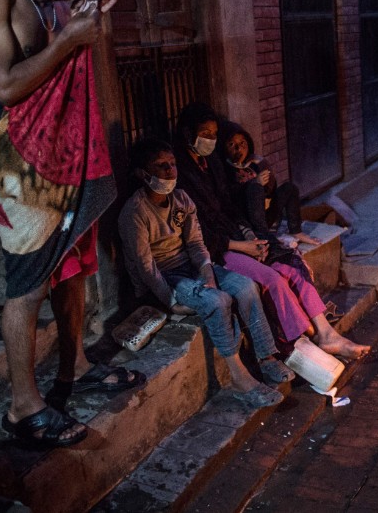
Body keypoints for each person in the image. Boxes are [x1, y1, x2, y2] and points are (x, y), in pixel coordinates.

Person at [0, 0, 143, 448]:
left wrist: (82, 25)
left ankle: (74, 367)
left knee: (73, 261)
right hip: (13, 154)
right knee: (29, 281)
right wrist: (68, 38)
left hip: (58, 150)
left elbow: (65, 66)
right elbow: (8, 86)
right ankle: (23, 407)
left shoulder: (52, 2)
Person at [173, 103, 369, 361]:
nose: (210, 140)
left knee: (291, 266)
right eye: (205, 134)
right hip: (218, 250)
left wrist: (250, 235)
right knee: (273, 279)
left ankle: (326, 334)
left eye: (213, 134)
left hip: (237, 236)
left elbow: (229, 208)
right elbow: (197, 234)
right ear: (188, 134)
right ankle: (297, 346)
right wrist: (240, 245)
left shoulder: (212, 165)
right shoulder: (181, 176)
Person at [118, 138, 291, 408]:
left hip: (192, 266)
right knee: (218, 301)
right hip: (167, 277)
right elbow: (145, 266)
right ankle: (238, 376)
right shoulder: (135, 212)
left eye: (172, 164)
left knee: (246, 286)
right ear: (143, 173)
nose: (170, 171)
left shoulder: (182, 198)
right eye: (161, 166)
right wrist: (171, 301)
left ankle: (266, 357)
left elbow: (197, 244)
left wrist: (208, 273)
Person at [217, 121, 319, 247]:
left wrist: (264, 166)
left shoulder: (253, 164)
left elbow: (271, 190)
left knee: (289, 188)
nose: (239, 148)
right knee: (255, 188)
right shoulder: (225, 170)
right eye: (232, 144)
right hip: (249, 222)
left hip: (266, 215)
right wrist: (254, 184)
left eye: (243, 143)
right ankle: (263, 236)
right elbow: (231, 199)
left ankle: (296, 231)